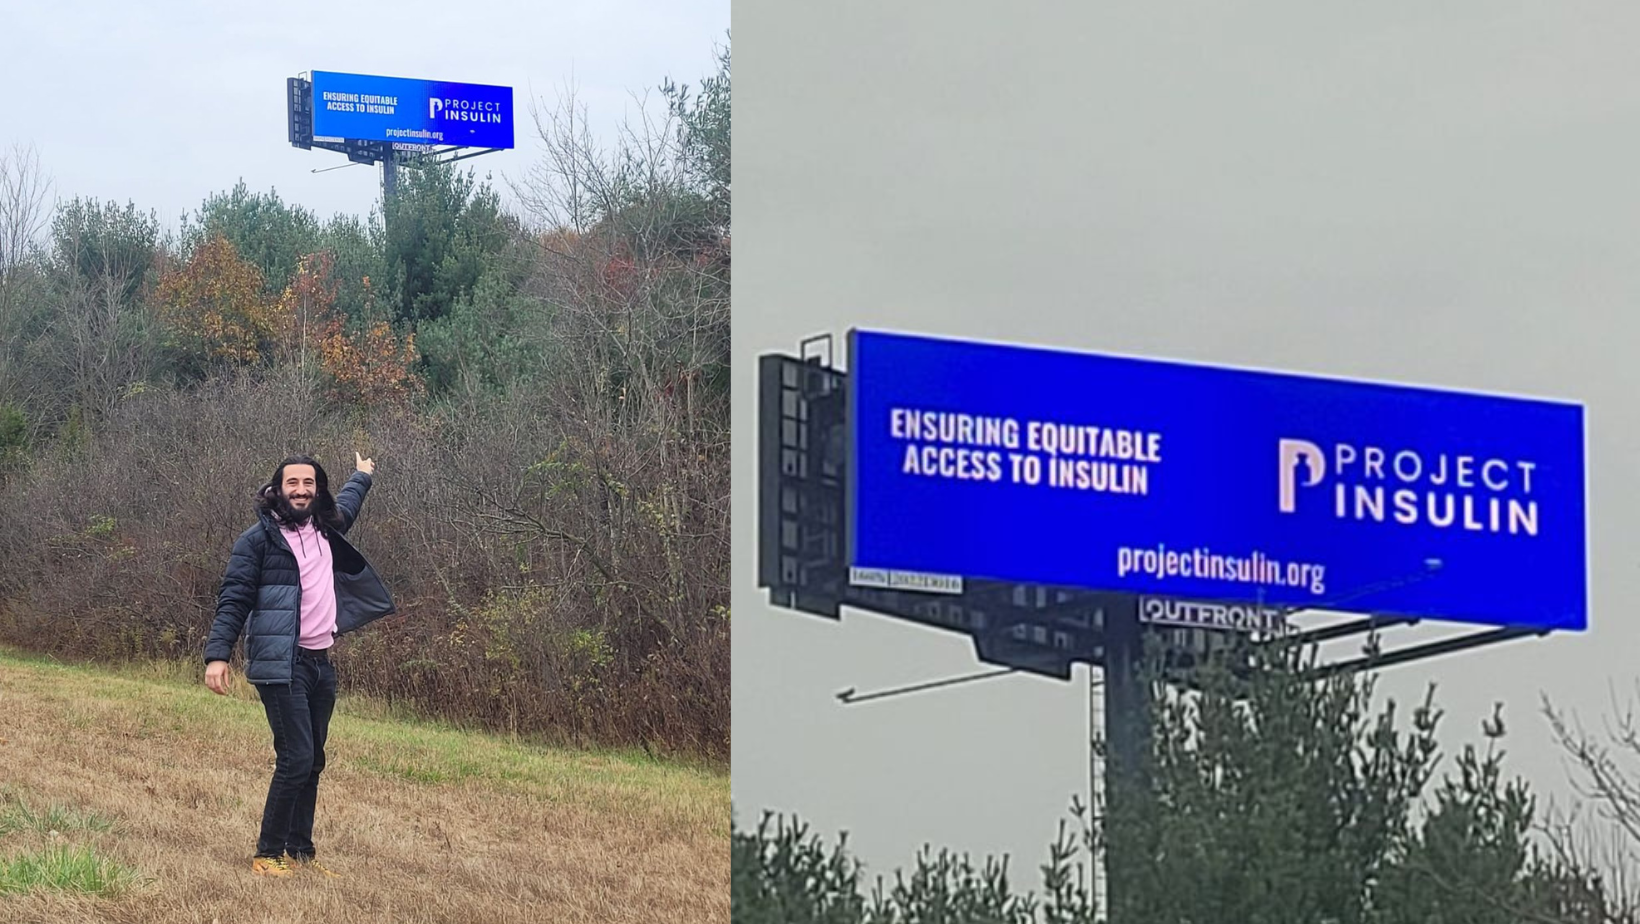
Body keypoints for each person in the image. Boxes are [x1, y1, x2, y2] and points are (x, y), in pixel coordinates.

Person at [204, 452, 395, 878]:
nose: (301, 490)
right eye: (293, 483)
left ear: (317, 490)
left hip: (319, 663)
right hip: (280, 664)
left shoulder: (327, 527)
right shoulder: (256, 542)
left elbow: (349, 502)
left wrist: (362, 474)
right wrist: (218, 655)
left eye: (309, 483)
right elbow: (233, 599)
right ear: (277, 489)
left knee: (312, 761)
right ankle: (267, 854)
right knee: (295, 759)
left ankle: (300, 851)